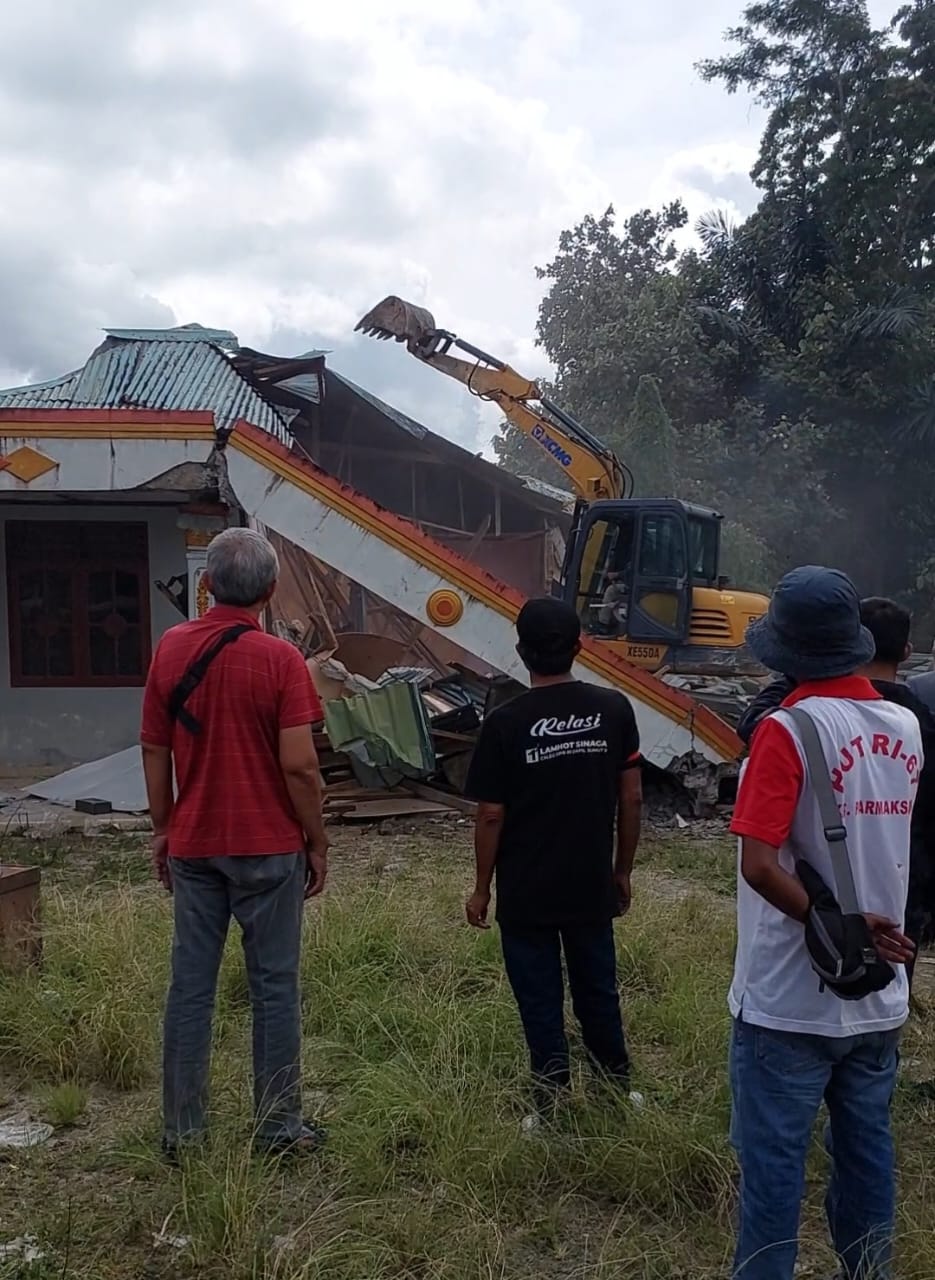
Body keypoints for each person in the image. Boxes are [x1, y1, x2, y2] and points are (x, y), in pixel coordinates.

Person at [729, 567, 920, 1280]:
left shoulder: (785, 731)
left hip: (788, 1000)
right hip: (877, 993)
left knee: (773, 1173)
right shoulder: (903, 726)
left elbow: (757, 865)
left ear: (783, 654)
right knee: (867, 1156)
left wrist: (830, 920)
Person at [141, 527, 329, 1159]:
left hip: (195, 846)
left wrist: (164, 827)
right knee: (274, 985)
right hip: (270, 845)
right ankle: (278, 1129)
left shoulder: (170, 648)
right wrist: (317, 840)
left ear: (206, 584)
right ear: (272, 591)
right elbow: (301, 767)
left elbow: (154, 747)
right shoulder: (281, 662)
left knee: (190, 987)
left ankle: (182, 1134)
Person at [463, 597, 643, 1116]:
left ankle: (550, 1104)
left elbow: (491, 814)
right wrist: (622, 869)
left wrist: (482, 887)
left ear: (520, 651)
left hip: (527, 890)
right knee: (598, 991)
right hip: (590, 883)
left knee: (539, 999)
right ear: (579, 648)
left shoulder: (505, 721)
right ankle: (614, 1093)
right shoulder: (613, 709)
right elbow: (631, 797)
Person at [738, 595, 935, 988]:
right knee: (890, 983)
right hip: (899, 907)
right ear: (907, 651)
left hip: (794, 984)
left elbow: (759, 866)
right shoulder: (913, 723)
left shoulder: (788, 728)